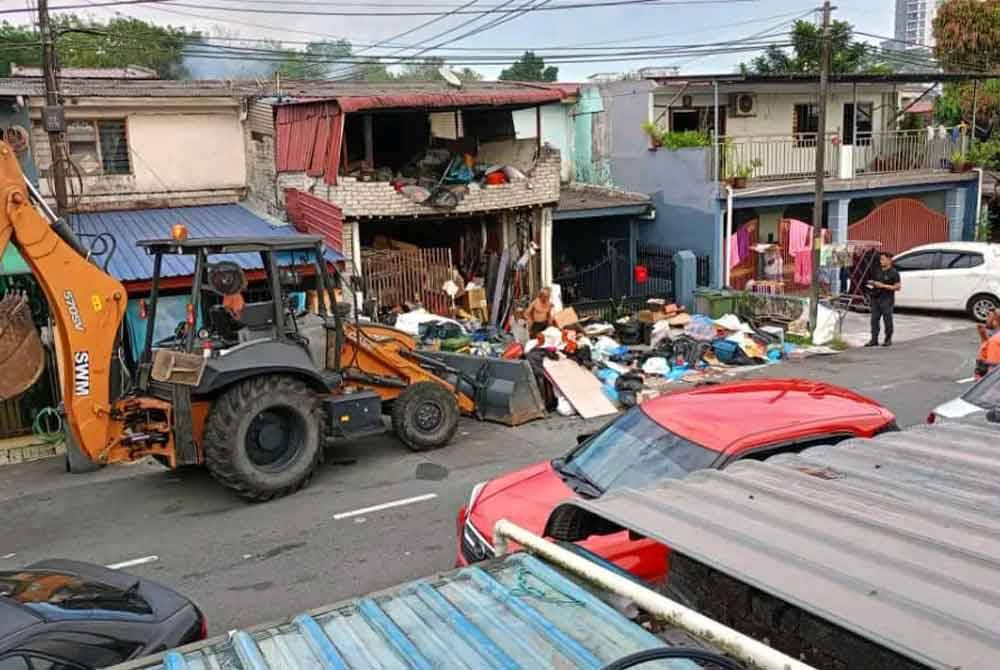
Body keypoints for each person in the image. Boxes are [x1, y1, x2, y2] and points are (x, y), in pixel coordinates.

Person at [866, 251, 901, 347]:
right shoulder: (877, 270)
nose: (881, 261)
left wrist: (883, 286)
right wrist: (872, 283)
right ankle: (874, 339)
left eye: (883, 259)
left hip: (887, 299)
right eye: (880, 259)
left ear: (889, 260)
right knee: (874, 320)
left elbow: (897, 287)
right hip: (875, 298)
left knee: (887, 319)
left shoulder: (894, 273)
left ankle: (888, 339)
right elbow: (875, 282)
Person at [975, 308, 1000, 378]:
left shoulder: (995, 341)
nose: (987, 320)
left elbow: (993, 366)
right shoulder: (991, 333)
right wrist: (983, 335)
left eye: (990, 317)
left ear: (996, 321)